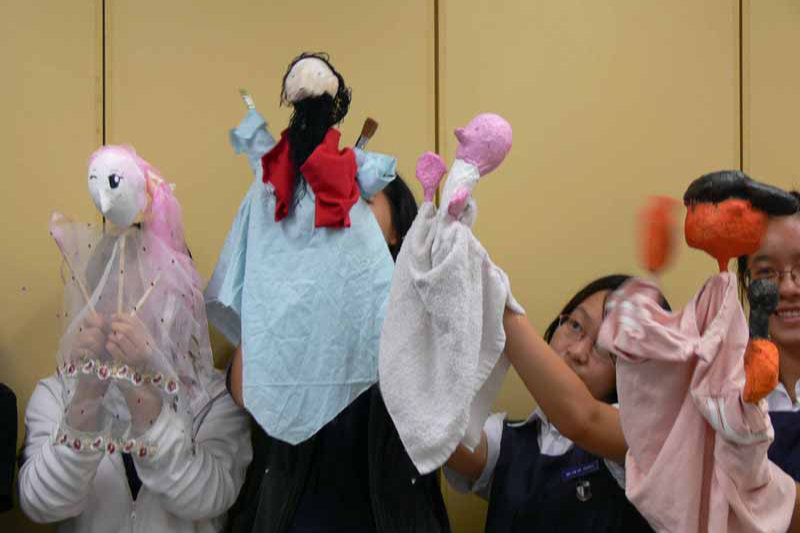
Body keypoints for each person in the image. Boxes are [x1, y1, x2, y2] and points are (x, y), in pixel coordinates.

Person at [18, 145, 251, 532]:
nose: (134, 313)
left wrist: (147, 403)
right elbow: (41, 503)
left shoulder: (215, 399)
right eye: (114, 292)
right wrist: (86, 398)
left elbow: (211, 495)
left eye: (154, 294)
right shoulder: (57, 392)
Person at [226, 173, 451, 533]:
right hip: (291, 516)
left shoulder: (421, 303)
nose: (347, 210)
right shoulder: (294, 291)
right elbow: (245, 390)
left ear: (396, 232)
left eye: (362, 199)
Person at [445, 275, 652, 531]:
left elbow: (583, 419)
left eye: (607, 349)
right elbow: (446, 437)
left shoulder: (639, 438)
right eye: (575, 325)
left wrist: (496, 302)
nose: (578, 352)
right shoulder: (506, 439)